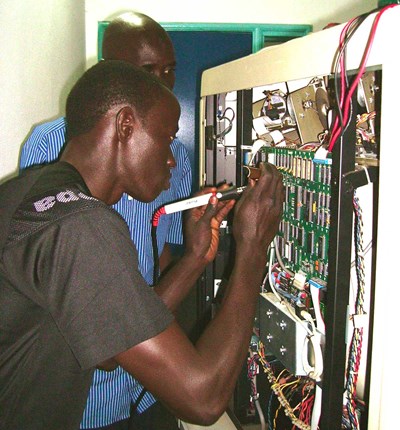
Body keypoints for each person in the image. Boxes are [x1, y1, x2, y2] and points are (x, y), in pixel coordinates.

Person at [0, 60, 283, 430]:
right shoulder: (81, 226)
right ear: (125, 125)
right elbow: (203, 398)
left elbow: (110, 348)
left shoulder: (30, 194)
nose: (171, 159)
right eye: (166, 138)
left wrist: (194, 258)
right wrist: (253, 247)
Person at [19, 12, 192, 430]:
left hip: (150, 385)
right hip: (87, 396)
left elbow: (161, 256)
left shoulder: (177, 159)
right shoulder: (49, 145)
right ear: (109, 71)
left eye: (169, 70)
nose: (163, 83)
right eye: (148, 70)